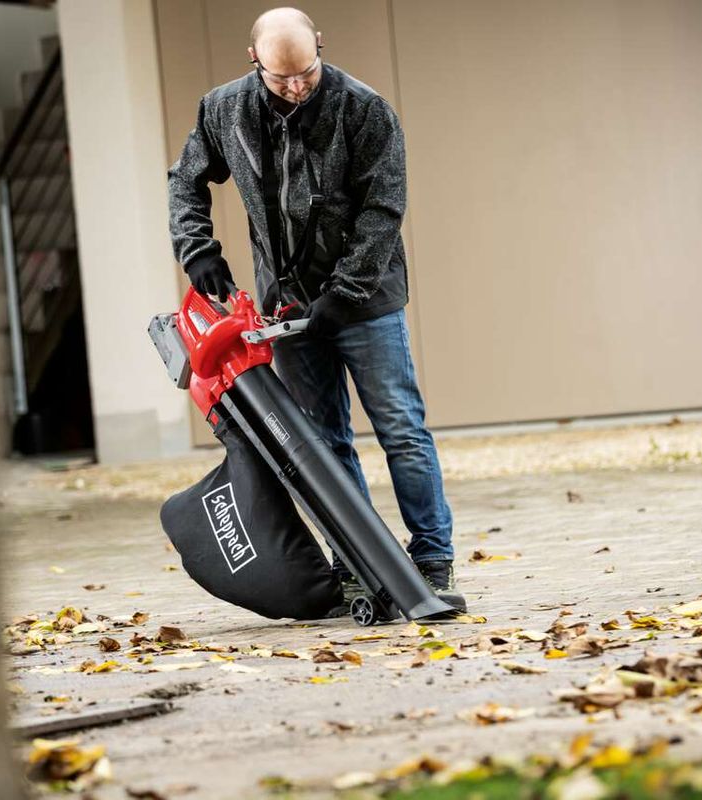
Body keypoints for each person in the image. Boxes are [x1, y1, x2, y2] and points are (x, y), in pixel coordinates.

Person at [166, 7, 465, 614]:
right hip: (289, 307)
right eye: (282, 79)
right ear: (255, 62)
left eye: (306, 72)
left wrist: (346, 294)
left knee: (401, 431)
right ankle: (358, 564)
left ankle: (431, 560)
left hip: (368, 302)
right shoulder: (223, 110)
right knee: (325, 443)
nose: (297, 86)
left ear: (320, 49)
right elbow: (185, 182)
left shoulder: (364, 109)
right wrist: (197, 251)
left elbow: (384, 210)